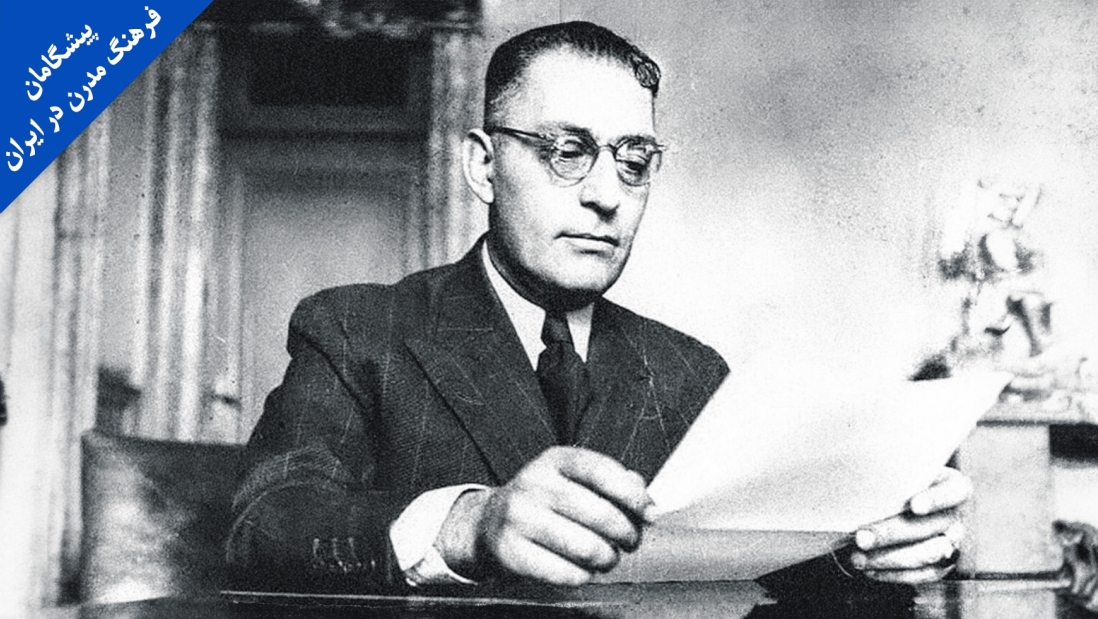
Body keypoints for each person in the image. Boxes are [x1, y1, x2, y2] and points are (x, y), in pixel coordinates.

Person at [227, 21, 969, 593]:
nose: (607, 195)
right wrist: (468, 523)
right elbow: (267, 524)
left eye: (634, 161)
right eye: (567, 150)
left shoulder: (689, 370)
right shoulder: (357, 330)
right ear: (483, 166)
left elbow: (750, 571)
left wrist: (868, 548)